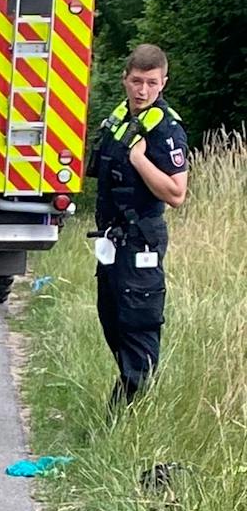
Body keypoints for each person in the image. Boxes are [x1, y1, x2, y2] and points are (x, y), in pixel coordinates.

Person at [88, 44, 189, 405]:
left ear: (163, 83)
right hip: (112, 241)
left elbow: (177, 193)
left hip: (141, 240)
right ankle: (127, 402)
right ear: (125, 80)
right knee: (112, 321)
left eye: (151, 83)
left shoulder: (165, 130)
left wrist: (140, 160)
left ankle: (127, 414)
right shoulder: (118, 121)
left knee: (138, 325)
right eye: (136, 81)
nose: (142, 90)